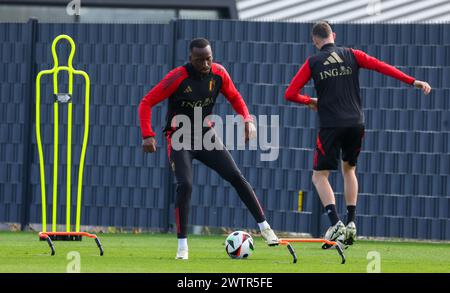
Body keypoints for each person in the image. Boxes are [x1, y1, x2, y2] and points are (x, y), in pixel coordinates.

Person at [285, 21, 431, 248]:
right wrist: (413, 81)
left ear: (315, 40)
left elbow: (290, 93)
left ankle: (335, 223)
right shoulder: (352, 54)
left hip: (331, 125)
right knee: (349, 170)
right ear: (333, 35)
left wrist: (311, 101)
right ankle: (351, 222)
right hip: (356, 123)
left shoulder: (313, 61)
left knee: (319, 176)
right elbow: (382, 67)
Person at [138, 38, 279, 260]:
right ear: (190, 59)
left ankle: (265, 228)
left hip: (206, 136)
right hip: (179, 137)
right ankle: (182, 246)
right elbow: (146, 102)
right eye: (200, 60)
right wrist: (148, 135)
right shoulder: (177, 77)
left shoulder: (219, 73)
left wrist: (247, 120)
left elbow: (235, 97)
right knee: (185, 184)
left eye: (209, 58)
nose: (205, 64)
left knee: (235, 176)